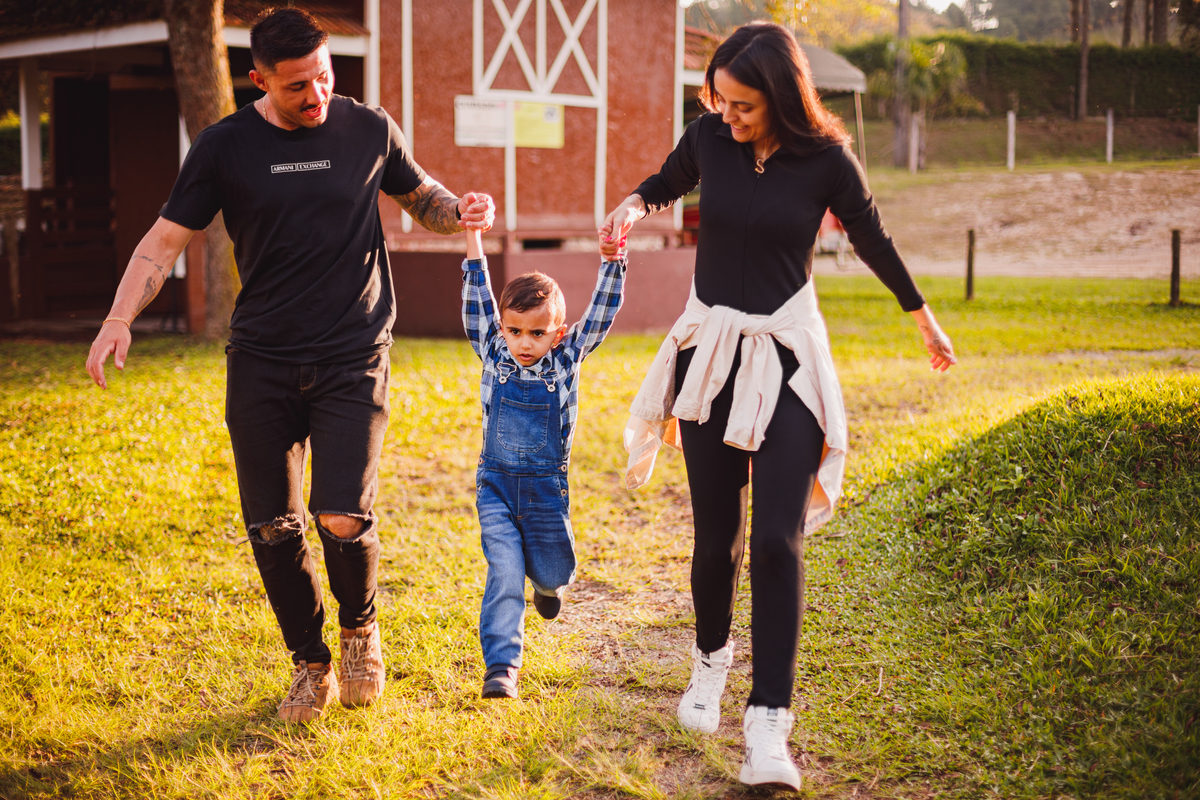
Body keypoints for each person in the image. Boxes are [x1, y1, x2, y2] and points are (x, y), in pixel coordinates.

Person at [84, 8, 496, 723]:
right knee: (273, 525)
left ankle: (360, 630)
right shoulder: (224, 147)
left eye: (324, 77)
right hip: (263, 358)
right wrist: (119, 317)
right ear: (260, 80)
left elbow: (422, 197)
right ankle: (311, 665)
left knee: (340, 515)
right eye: (297, 85)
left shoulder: (368, 128)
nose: (317, 95)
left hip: (352, 352)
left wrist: (460, 209)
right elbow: (163, 241)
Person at [601, 22, 956, 791]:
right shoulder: (709, 136)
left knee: (776, 541)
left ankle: (768, 726)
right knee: (717, 541)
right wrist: (631, 207)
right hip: (711, 355)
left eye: (743, 105)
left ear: (783, 98)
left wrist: (922, 317)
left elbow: (872, 237)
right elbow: (667, 179)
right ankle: (710, 662)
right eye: (720, 100)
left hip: (788, 359)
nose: (726, 115)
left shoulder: (827, 160)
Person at [461, 220, 627, 699]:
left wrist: (612, 259)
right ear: (502, 328)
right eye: (514, 330)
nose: (524, 343)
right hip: (496, 487)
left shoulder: (565, 359)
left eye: (537, 333)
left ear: (558, 334)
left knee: (554, 571)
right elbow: (476, 294)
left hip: (545, 492)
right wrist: (473, 236)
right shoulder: (493, 351)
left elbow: (600, 313)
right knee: (505, 571)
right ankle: (502, 667)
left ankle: (549, 588)